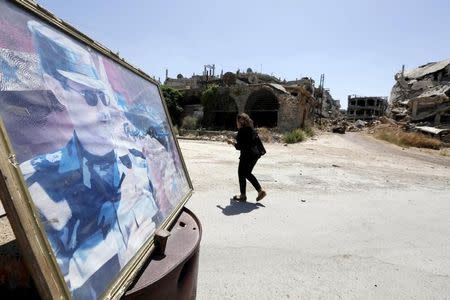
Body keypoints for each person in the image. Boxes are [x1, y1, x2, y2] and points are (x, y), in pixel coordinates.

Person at [20, 20, 161, 298]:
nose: (108, 111)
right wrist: (128, 265)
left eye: (108, 98)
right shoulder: (36, 187)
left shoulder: (136, 161)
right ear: (57, 88)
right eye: (91, 97)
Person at [227, 113, 266, 202]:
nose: (236, 123)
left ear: (239, 122)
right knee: (247, 173)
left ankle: (244, 195)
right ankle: (260, 191)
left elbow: (239, 146)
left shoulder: (241, 131)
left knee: (241, 173)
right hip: (255, 155)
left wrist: (231, 142)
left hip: (247, 156)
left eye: (237, 121)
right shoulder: (252, 130)